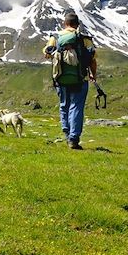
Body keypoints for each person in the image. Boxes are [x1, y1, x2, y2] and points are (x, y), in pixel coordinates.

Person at [43, 11, 97, 150]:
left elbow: (46, 53)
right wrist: (93, 75)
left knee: (64, 105)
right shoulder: (84, 38)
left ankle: (67, 133)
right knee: (76, 107)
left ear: (64, 24)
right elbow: (92, 59)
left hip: (60, 79)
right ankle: (74, 139)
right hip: (80, 78)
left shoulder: (55, 37)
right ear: (77, 25)